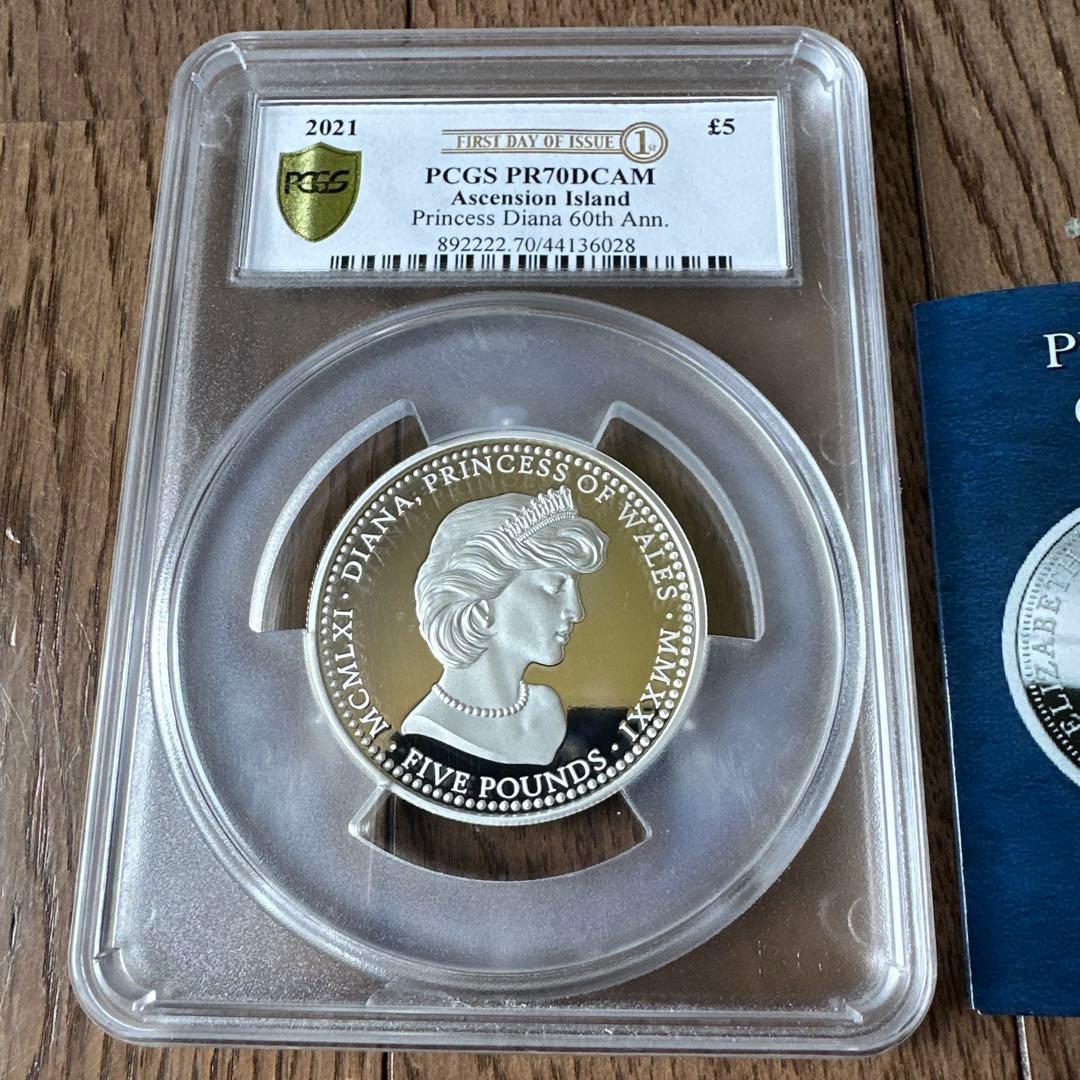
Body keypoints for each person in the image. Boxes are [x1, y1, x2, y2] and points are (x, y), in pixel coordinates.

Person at [401, 486, 608, 765]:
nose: (576, 612)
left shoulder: (546, 706)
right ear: (481, 603)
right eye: (554, 587)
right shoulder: (428, 726)